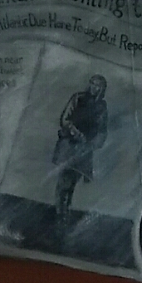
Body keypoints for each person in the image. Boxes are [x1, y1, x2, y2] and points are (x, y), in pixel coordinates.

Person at [52, 73, 109, 216]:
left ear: (102, 89)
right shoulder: (78, 98)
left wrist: (94, 143)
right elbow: (65, 120)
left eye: (98, 86)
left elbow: (102, 130)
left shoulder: (102, 106)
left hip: (84, 149)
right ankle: (60, 212)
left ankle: (65, 212)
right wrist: (75, 132)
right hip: (69, 145)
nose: (95, 88)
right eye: (93, 84)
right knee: (64, 180)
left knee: (73, 182)